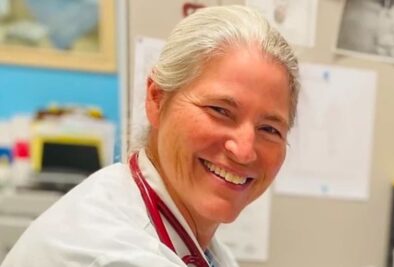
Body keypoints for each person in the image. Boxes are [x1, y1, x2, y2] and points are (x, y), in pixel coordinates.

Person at [1, 5, 299, 267]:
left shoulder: (188, 237)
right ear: (157, 99)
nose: (244, 150)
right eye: (220, 110)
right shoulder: (111, 251)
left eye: (270, 129)